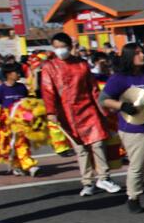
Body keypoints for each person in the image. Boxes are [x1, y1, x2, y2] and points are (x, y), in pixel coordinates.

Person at [40, 32, 121, 196]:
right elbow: (48, 90)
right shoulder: (49, 67)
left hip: (88, 109)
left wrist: (103, 110)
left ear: (70, 47)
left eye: (62, 47)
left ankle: (104, 177)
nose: (60, 50)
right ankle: (88, 181)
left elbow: (93, 89)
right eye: (56, 47)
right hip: (67, 113)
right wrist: (51, 111)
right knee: (80, 148)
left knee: (98, 143)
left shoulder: (82, 64)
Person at [100, 43, 144, 213]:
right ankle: (133, 197)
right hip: (133, 130)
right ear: (128, 56)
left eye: (142, 52)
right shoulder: (120, 78)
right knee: (137, 165)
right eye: (137, 53)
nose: (142, 55)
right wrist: (122, 106)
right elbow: (103, 99)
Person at [0, 62, 37, 176]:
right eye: (17, 72)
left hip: (21, 123)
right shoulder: (1, 89)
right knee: (11, 146)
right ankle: (20, 165)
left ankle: (27, 165)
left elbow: (27, 102)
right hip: (7, 124)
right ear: (9, 74)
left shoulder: (21, 87)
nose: (19, 74)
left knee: (22, 143)